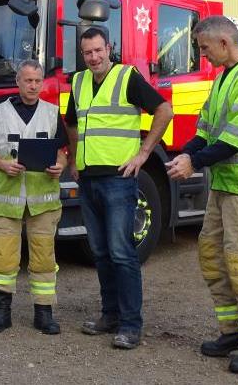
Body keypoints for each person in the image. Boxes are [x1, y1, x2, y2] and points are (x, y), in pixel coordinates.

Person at [166, 16, 238, 374]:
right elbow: (205, 132)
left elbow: (234, 141)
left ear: (224, 44)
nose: (203, 55)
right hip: (226, 189)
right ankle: (233, 332)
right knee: (213, 258)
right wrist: (184, 154)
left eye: (204, 48)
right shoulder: (223, 81)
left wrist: (193, 163)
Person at [65, 27, 173, 349]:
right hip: (88, 179)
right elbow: (71, 122)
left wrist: (144, 153)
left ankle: (130, 325)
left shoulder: (128, 77)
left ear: (109, 48)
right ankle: (109, 315)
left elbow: (164, 110)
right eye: (88, 53)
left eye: (99, 50)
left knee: (122, 253)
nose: (94, 57)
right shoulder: (78, 81)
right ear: (82, 54)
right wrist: (73, 159)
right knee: (100, 252)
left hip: (118, 180)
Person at [0, 59, 68, 335]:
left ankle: (44, 314)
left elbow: (62, 153)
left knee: (43, 258)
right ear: (18, 82)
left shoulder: (53, 114)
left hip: (42, 201)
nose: (32, 85)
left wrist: (60, 166)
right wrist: (4, 164)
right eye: (27, 80)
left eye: (37, 81)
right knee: (4, 259)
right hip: (6, 199)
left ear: (42, 83)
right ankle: (1, 314)